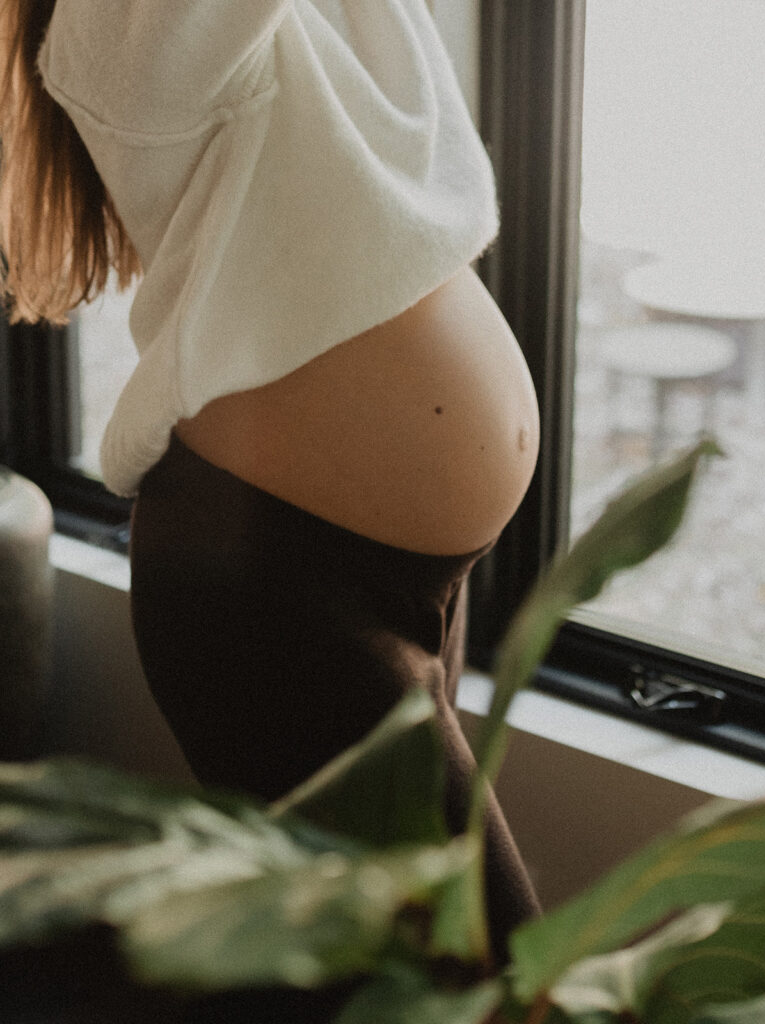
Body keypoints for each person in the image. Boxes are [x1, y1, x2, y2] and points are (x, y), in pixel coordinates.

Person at [1, 0, 541, 965]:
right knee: (482, 980)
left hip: (365, 566)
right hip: (276, 587)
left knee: (400, 977)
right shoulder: (117, 25)